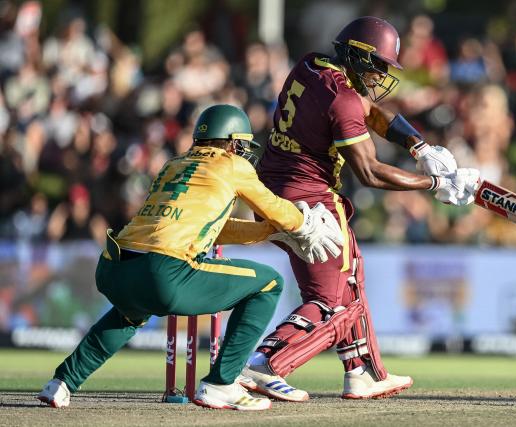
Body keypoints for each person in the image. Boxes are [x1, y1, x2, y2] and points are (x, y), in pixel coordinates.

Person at [37, 104, 344, 411]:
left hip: (114, 267)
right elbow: (275, 206)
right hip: (163, 271)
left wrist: (266, 232)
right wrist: (301, 223)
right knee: (270, 283)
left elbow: (209, 227)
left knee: (128, 313)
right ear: (234, 142)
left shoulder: (174, 164)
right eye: (242, 146)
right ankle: (222, 384)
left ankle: (61, 383)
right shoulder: (232, 166)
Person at [240, 16, 480, 401]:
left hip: (271, 192)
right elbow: (369, 171)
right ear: (357, 56)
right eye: (378, 65)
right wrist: (434, 183)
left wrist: (419, 147)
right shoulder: (342, 99)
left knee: (349, 279)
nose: (381, 75)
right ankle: (265, 362)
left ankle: (362, 372)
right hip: (311, 198)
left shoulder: (311, 65)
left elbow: (367, 109)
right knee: (333, 304)